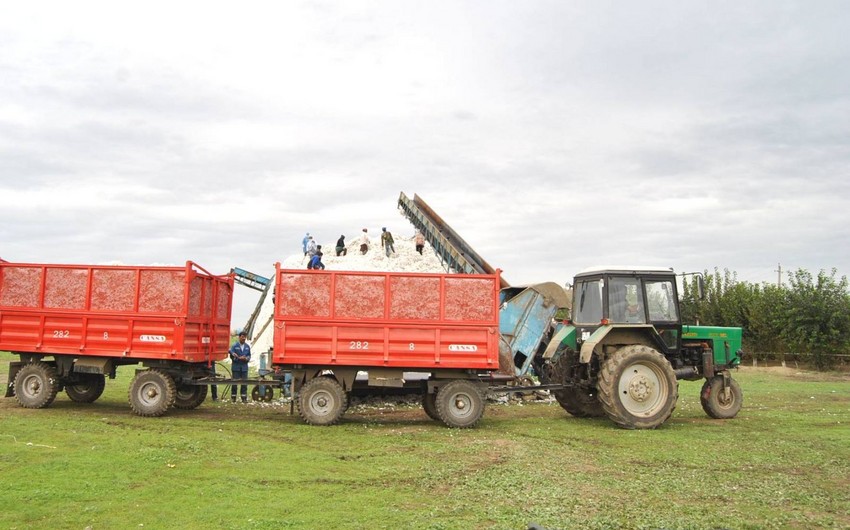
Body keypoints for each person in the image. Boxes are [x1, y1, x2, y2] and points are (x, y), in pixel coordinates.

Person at [229, 331, 251, 403]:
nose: (244, 339)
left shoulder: (247, 347)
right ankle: (233, 398)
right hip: (236, 367)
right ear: (239, 337)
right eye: (242, 337)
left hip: (244, 367)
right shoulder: (235, 346)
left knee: (244, 383)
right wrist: (235, 356)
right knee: (234, 383)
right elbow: (231, 353)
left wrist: (246, 358)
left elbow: (249, 356)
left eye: (245, 337)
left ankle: (244, 398)